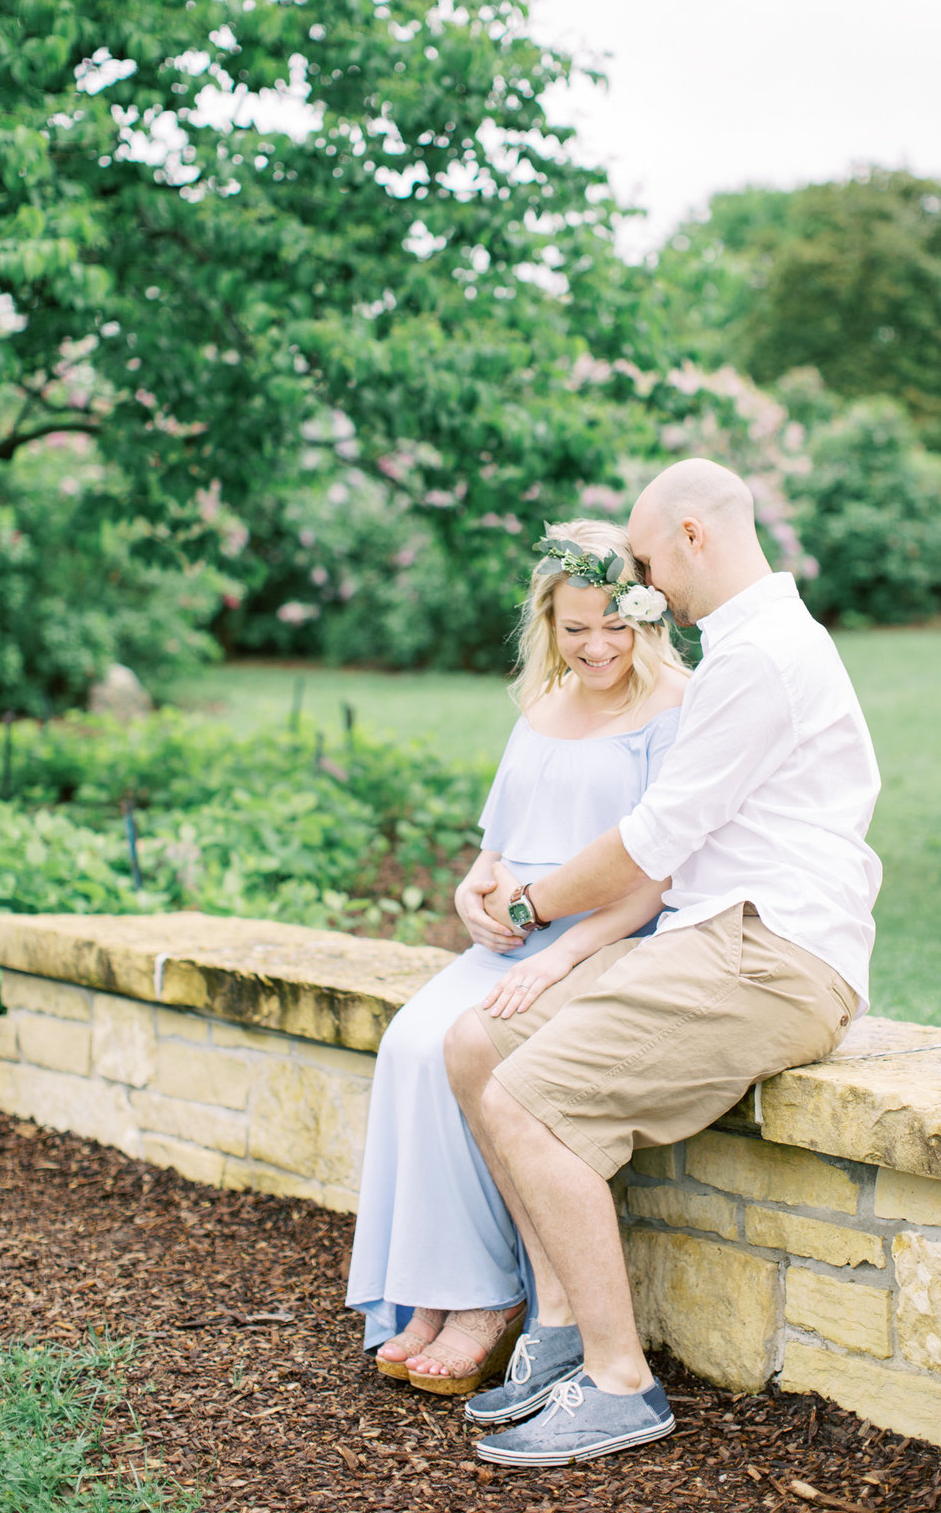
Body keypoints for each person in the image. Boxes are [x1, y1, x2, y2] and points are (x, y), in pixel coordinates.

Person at [444, 457, 882, 1465]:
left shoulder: (761, 656)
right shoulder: (743, 645)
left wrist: (529, 904)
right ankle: (558, 1326)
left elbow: (653, 840)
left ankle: (620, 1383)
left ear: (692, 534)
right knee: (479, 1046)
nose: (642, 587)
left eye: (644, 560)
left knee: (525, 1100)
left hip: (771, 949)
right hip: (707, 932)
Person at [345, 519, 688, 1395]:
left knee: (470, 1045)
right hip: (508, 940)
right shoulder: (540, 706)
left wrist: (557, 956)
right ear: (547, 624)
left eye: (615, 625)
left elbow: (654, 875)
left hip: (596, 943)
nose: (597, 646)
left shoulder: (673, 711)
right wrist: (471, 890)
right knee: (409, 1046)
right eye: (575, 629)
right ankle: (433, 1289)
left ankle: (488, 1302)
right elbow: (494, 849)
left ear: (648, 618)